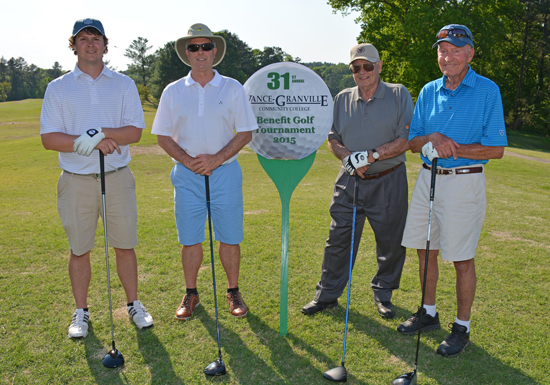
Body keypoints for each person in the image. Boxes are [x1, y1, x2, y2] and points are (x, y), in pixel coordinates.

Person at [40, 18, 154, 338]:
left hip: (117, 176)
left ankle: (133, 304)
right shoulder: (58, 87)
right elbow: (50, 139)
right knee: (80, 249)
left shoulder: (123, 84)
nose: (90, 43)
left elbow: (134, 132)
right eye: (83, 38)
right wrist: (94, 142)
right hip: (76, 179)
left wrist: (98, 134)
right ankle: (81, 312)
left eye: (96, 38)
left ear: (106, 44)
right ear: (73, 45)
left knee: (125, 245)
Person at [399, 24, 507, 358]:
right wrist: (431, 140)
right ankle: (428, 312)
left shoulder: (488, 91)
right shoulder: (429, 90)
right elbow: (413, 141)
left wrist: (451, 147)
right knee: (423, 249)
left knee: (461, 258)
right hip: (427, 179)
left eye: (456, 50)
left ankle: (462, 326)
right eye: (443, 50)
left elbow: (496, 148)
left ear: (470, 53)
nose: (448, 57)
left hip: (464, 181)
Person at [152, 23, 257, 321]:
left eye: (206, 47)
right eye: (194, 47)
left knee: (230, 236)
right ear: (187, 53)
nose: (201, 52)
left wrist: (217, 158)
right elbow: (162, 136)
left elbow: (246, 132)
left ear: (215, 52)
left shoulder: (233, 87)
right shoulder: (173, 91)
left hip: (224, 172)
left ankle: (233, 290)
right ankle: (191, 292)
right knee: (190, 238)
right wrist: (188, 161)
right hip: (187, 176)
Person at [301, 43, 413, 319]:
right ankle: (327, 295)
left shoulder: (399, 94)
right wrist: (348, 158)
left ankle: (383, 293)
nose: (362, 72)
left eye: (367, 66)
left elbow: (405, 140)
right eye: (356, 68)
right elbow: (333, 138)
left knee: (390, 242)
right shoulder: (341, 98)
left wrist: (370, 157)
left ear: (379, 66)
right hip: (349, 178)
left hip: (388, 179)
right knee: (337, 239)